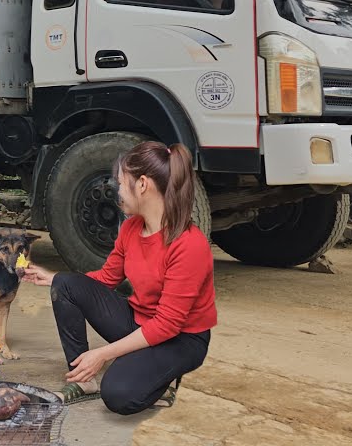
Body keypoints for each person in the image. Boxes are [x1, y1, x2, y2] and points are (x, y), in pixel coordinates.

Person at [22, 141, 215, 414]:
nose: (118, 192)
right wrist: (52, 278)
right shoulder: (131, 228)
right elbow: (106, 278)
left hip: (181, 338)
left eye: (122, 183)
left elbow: (168, 325)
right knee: (66, 284)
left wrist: (103, 354)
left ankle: (161, 375)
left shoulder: (189, 244)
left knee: (118, 396)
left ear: (143, 185)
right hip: (139, 320)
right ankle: (84, 380)